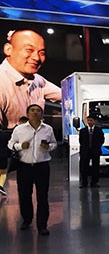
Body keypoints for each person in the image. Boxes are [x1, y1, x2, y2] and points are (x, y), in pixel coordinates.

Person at [0, 29, 61, 203]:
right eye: (29, 50)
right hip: (10, 159)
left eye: (41, 52)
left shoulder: (37, 80)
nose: (36, 57)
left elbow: (66, 95)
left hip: (34, 158)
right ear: (8, 49)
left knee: (39, 197)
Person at [8, 104, 57, 235]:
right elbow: (10, 144)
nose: (35, 113)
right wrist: (20, 146)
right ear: (28, 114)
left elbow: (54, 143)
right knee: (24, 195)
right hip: (24, 166)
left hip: (42, 166)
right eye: (32, 110)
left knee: (42, 196)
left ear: (42, 114)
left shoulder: (48, 129)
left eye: (38, 111)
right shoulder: (19, 129)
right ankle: (27, 219)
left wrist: (48, 147)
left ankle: (42, 225)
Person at [79, 116, 105, 188]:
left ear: (94, 121)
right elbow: (81, 141)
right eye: (88, 120)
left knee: (95, 167)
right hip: (85, 152)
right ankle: (84, 183)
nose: (89, 122)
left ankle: (94, 182)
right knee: (84, 168)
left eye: (91, 120)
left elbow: (102, 140)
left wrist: (97, 146)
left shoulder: (99, 130)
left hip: (95, 151)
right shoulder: (83, 131)